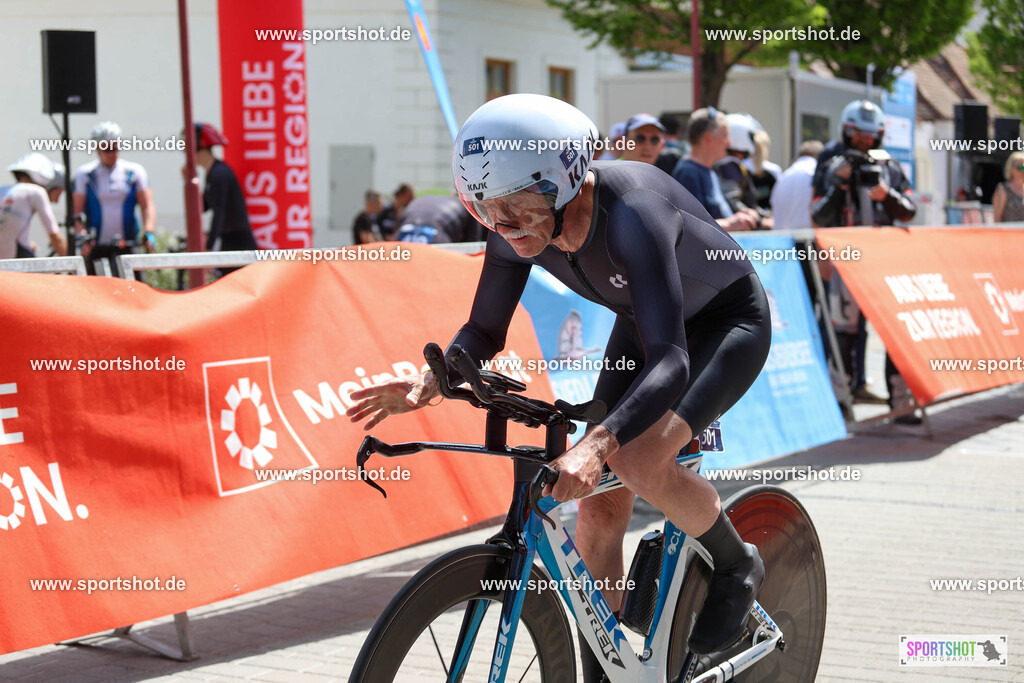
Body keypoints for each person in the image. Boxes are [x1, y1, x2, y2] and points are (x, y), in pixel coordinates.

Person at [347, 94, 770, 675]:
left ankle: (736, 565)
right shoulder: (510, 226)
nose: (503, 227)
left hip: (725, 323)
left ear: (566, 181)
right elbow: (482, 329)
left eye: (517, 209)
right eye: (484, 210)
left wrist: (599, 445)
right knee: (596, 511)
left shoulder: (633, 211)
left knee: (638, 462)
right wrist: (434, 380)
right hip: (642, 324)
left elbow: (670, 359)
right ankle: (612, 661)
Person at [811, 100, 918, 422]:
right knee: (843, 332)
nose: (865, 141)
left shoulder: (890, 165)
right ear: (847, 130)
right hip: (846, 260)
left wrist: (888, 196)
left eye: (872, 135)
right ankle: (840, 403)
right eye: (859, 134)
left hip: (886, 262)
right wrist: (840, 183)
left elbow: (910, 208)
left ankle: (900, 404)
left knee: (896, 332)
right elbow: (817, 214)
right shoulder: (830, 161)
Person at [73, 121, 156, 276]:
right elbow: (76, 213)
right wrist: (83, 236)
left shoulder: (135, 171)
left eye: (116, 147)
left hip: (127, 245)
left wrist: (149, 232)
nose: (113, 153)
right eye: (107, 149)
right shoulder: (84, 174)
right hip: (96, 246)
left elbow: (147, 206)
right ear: (97, 149)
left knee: (133, 293)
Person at [673, 107, 760, 231]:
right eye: (725, 136)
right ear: (708, 138)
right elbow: (690, 227)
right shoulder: (688, 173)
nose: (729, 143)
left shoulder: (709, 170)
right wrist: (730, 223)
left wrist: (739, 214)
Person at [189, 122, 258, 269]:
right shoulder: (212, 173)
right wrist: (189, 181)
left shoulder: (219, 173)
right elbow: (203, 207)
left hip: (238, 243)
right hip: (229, 240)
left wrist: (209, 247)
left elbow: (219, 212)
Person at [1, 153, 68, 258]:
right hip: (17, 265)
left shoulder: (3, 191)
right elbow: (56, 237)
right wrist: (72, 263)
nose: (56, 201)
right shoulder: (36, 192)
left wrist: (27, 243)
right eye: (58, 193)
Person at [770, 140, 823, 230]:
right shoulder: (816, 174)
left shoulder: (783, 177)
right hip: (812, 237)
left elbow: (775, 210)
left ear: (798, 156)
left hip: (786, 239)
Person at [393, 194, 482, 244]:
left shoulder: (422, 199)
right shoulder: (466, 206)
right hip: (437, 232)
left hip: (406, 231)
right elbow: (472, 245)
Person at [745, 129, 782, 211]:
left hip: (747, 215)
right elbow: (778, 199)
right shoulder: (774, 170)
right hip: (767, 217)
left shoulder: (743, 165)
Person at [992, 151, 1024, 223]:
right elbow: (997, 217)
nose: (1023, 171)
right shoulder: (1003, 189)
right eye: (1021, 167)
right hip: (1009, 232)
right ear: (1011, 168)